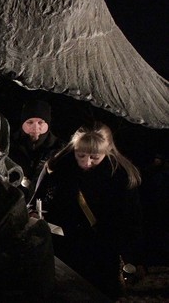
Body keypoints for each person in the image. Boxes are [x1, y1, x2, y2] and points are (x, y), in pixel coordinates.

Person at [37, 121, 145, 299]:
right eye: (81, 155)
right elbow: (39, 200)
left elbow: (132, 219)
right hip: (65, 247)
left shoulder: (120, 175)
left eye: (95, 157)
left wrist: (134, 256)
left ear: (107, 150)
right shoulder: (58, 167)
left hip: (103, 249)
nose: (87, 162)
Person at [9, 99, 64, 202]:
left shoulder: (59, 149)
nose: (35, 128)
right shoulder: (9, 144)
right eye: (30, 122)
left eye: (40, 123)